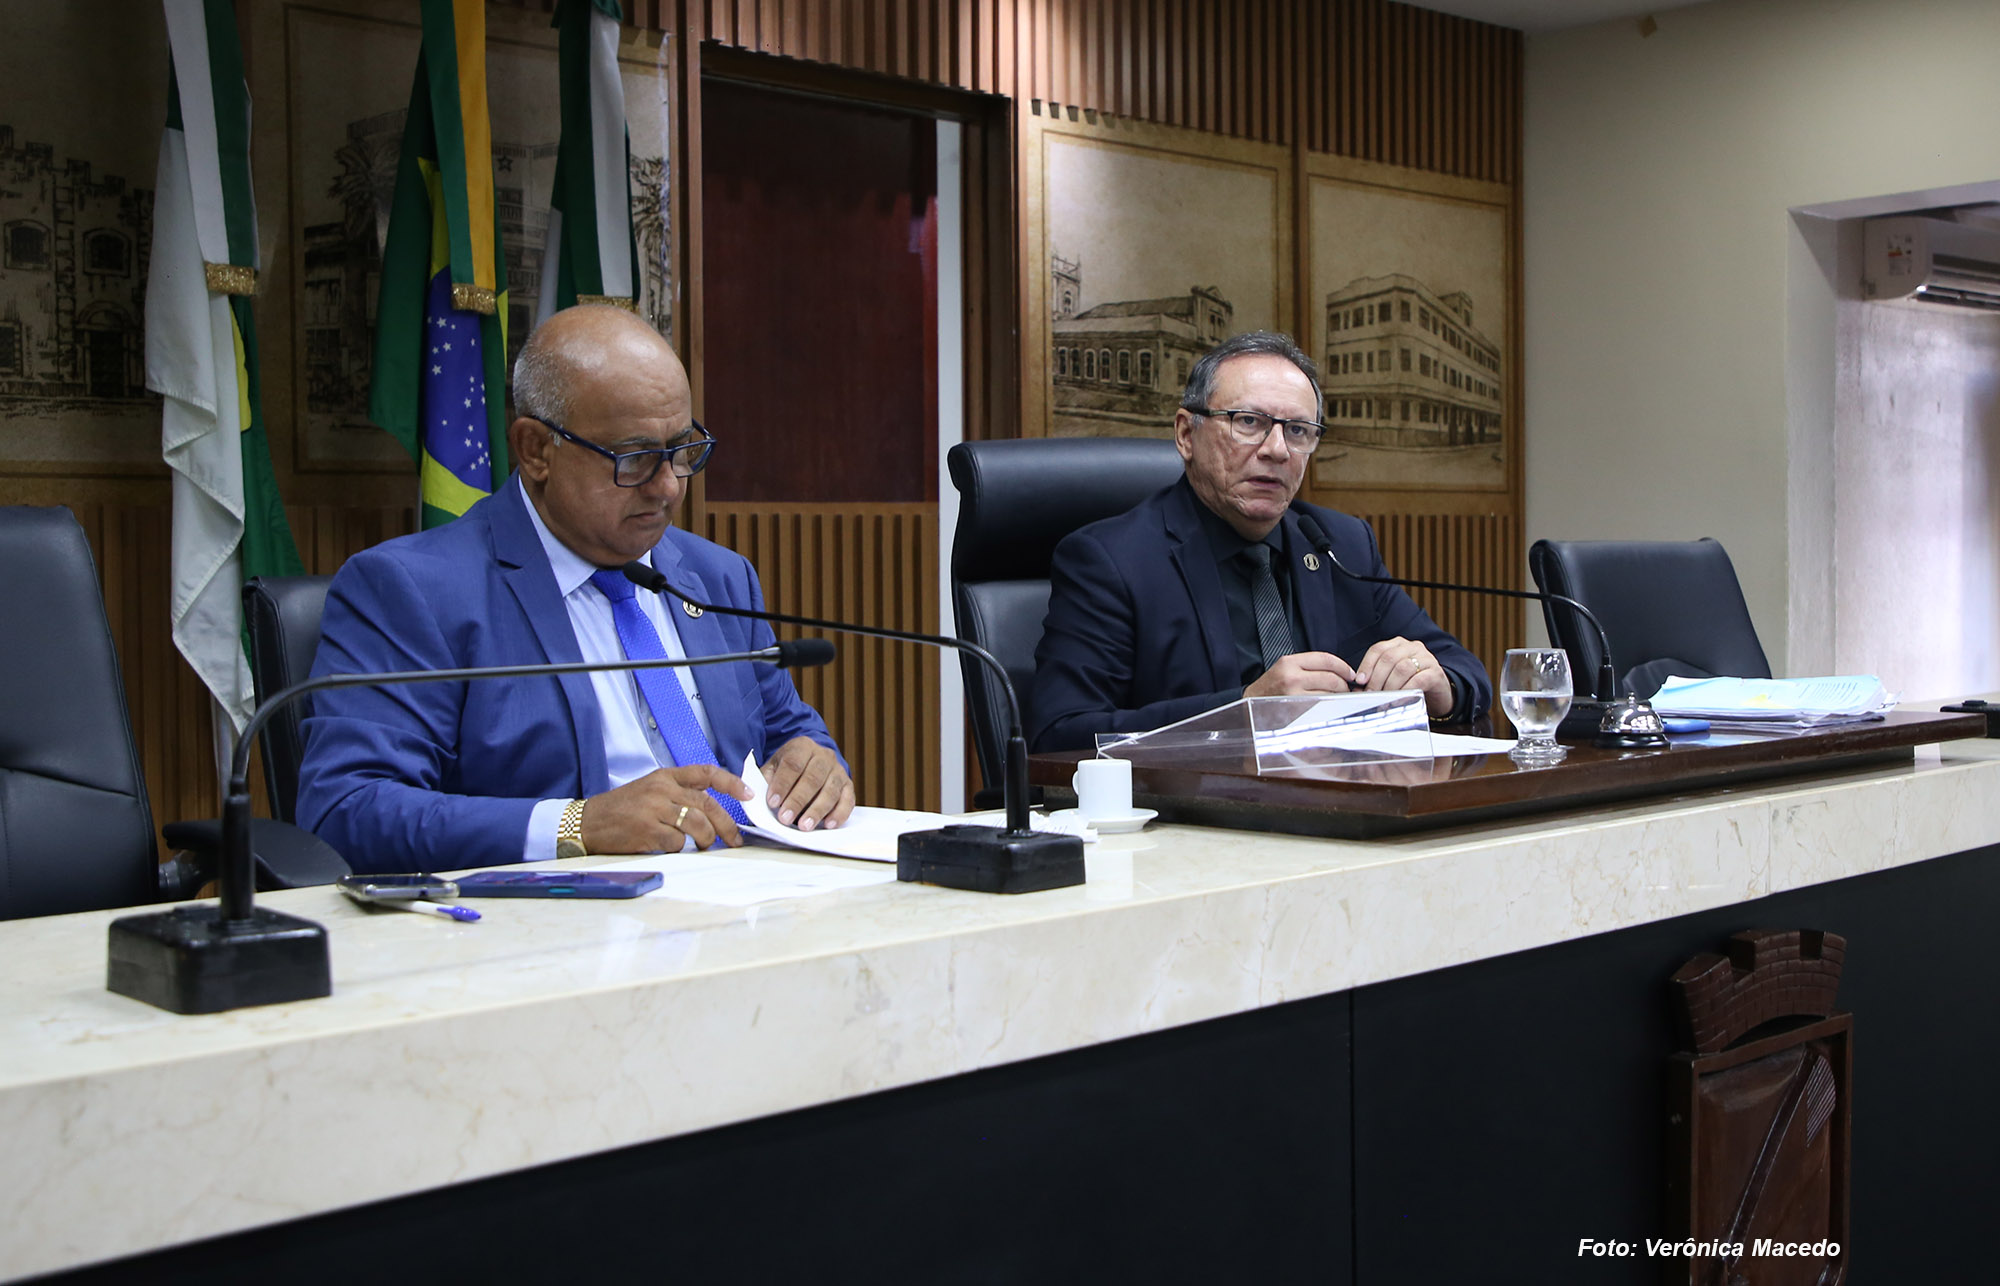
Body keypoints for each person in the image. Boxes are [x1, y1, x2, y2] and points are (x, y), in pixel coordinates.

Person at [298, 305, 853, 873]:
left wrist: (813, 765)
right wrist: (576, 825)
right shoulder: (414, 590)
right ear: (536, 450)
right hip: (560, 914)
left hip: (753, 895)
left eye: (683, 450)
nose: (668, 487)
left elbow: (789, 733)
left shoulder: (717, 578)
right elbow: (347, 807)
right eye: (636, 459)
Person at [1029, 330, 1491, 752]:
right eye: (1248, 421)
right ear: (1186, 434)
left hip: (1344, 799)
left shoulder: (1341, 544)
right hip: (1191, 812)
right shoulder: (1111, 561)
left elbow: (1464, 670)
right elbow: (1059, 733)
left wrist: (1440, 687)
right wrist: (1244, 711)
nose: (1277, 450)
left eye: (1298, 431)